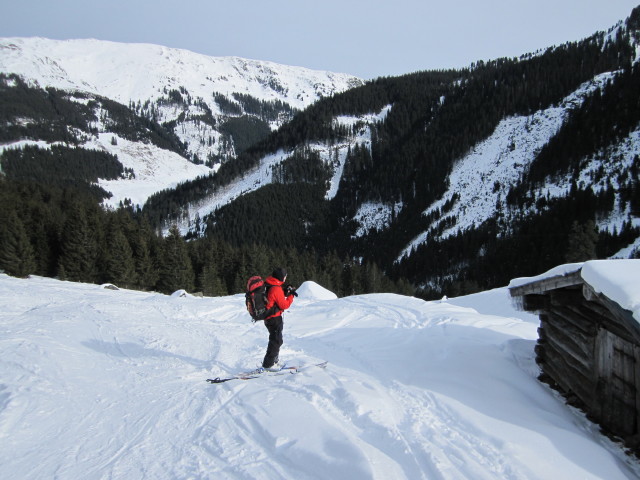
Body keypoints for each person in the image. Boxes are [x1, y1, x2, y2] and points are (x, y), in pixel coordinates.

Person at [262, 267, 296, 370]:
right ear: (281, 277)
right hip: (274, 318)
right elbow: (284, 305)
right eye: (285, 276)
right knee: (275, 341)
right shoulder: (276, 288)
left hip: (268, 318)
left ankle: (274, 361)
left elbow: (274, 297)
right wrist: (291, 296)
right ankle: (268, 365)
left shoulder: (270, 283)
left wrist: (286, 291)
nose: (285, 278)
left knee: (277, 340)